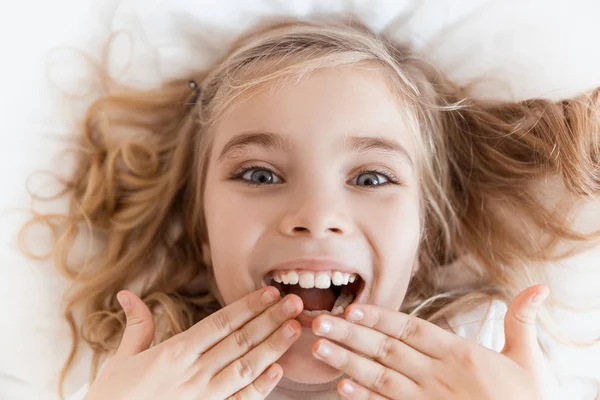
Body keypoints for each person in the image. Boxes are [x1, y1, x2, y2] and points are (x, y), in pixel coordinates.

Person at [21, 16, 600, 400]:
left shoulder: (484, 362)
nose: (315, 214)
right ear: (199, 230)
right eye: (259, 174)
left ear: (426, 242)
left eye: (371, 177)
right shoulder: (134, 377)